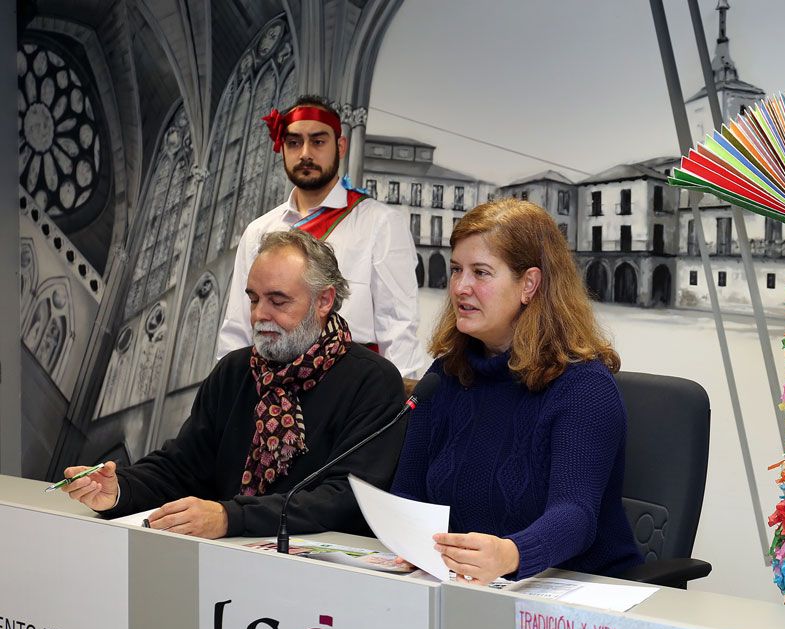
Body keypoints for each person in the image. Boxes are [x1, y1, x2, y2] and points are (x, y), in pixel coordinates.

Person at [60, 231, 406, 539]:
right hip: (223, 564)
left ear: (324, 301)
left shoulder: (372, 381)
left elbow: (345, 498)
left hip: (320, 580)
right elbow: (182, 468)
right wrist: (120, 488)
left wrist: (231, 517)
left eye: (278, 300)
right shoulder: (236, 371)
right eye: (254, 299)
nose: (258, 315)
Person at [389, 198, 643, 583]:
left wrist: (512, 553)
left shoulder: (584, 387)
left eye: (481, 273)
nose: (460, 287)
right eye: (457, 270)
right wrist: (410, 544)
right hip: (469, 587)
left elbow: (575, 514)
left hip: (576, 592)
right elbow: (408, 491)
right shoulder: (444, 376)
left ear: (529, 284)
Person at [216, 94, 424, 378]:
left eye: (317, 141)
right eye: (293, 142)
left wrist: (400, 404)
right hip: (271, 385)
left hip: (350, 383)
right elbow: (238, 327)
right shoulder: (259, 230)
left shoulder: (381, 223)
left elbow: (399, 325)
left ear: (340, 146)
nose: (305, 153)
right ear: (282, 149)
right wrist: (228, 394)